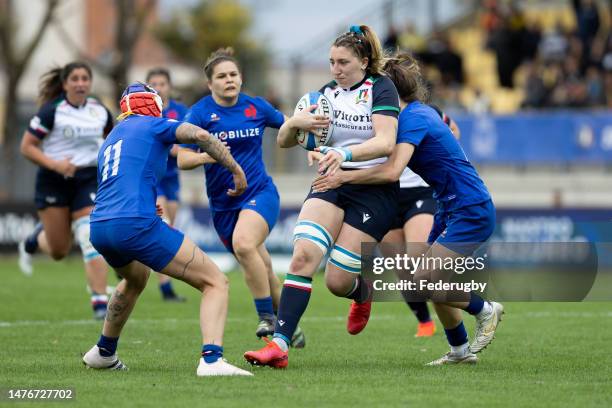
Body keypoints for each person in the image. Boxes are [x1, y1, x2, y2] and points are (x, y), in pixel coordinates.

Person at [310, 53, 504, 365]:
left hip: (471, 208)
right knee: (422, 280)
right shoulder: (409, 117)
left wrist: (342, 173)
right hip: (450, 207)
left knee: (423, 279)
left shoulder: (414, 118)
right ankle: (459, 351)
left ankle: (484, 309)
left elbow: (390, 171)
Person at [244, 25, 399, 368]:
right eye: (331, 62)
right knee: (302, 258)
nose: (335, 69)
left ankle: (362, 291)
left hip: (374, 189)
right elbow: (286, 141)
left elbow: (386, 143)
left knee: (337, 280)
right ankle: (279, 345)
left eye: (343, 62)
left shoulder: (381, 88)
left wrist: (345, 155)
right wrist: (293, 123)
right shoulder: (323, 95)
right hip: (331, 182)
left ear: (363, 60)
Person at [82, 83, 252, 376]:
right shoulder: (154, 124)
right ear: (154, 105)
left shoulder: (112, 138)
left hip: (100, 226)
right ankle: (212, 360)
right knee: (215, 282)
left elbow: (121, 181)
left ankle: (104, 351)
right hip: (134, 223)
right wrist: (235, 169)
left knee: (135, 278)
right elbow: (198, 135)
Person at [178, 48, 305, 347]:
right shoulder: (199, 113)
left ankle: (267, 319)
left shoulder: (256, 107)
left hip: (260, 192)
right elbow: (183, 159)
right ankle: (290, 327)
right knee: (264, 268)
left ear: (241, 78)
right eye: (221, 77)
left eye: (233, 74)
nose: (229, 80)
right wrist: (213, 156)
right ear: (210, 84)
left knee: (244, 243)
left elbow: (290, 127)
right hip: (223, 206)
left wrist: (312, 147)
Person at [18, 62, 112, 319]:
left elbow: (114, 139)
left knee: (89, 234)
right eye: (75, 79)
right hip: (53, 179)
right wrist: (56, 164)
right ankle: (35, 239)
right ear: (65, 84)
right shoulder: (52, 111)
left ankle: (100, 300)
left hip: (87, 179)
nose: (80, 83)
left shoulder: (99, 111)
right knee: (59, 251)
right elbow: (27, 147)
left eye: (85, 78)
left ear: (90, 83)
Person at [383, 103, 461, 339]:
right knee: (402, 269)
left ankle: (471, 311)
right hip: (386, 194)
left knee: (419, 259)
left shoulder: (424, 111)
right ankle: (425, 321)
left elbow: (453, 130)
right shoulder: (372, 109)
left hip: (420, 191)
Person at [146, 68, 188, 302]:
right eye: (154, 84)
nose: (159, 88)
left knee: (168, 227)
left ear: (169, 86)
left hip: (172, 178)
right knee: (164, 225)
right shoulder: (145, 112)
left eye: (162, 83)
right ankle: (166, 288)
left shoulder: (181, 112)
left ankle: (132, 260)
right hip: (154, 177)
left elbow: (193, 143)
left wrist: (178, 149)